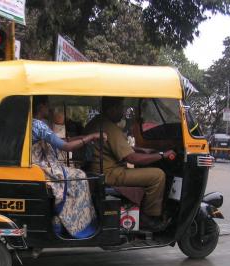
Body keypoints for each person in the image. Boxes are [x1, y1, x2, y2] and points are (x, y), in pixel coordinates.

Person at [84, 97, 176, 231]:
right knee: (158, 175)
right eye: (121, 108)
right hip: (109, 174)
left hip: (97, 170)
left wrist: (142, 150)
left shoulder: (95, 123)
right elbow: (132, 159)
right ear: (112, 109)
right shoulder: (110, 128)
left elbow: (115, 148)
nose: (122, 112)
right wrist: (161, 155)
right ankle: (149, 218)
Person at [32, 96, 105, 238]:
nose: (50, 109)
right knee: (80, 176)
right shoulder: (38, 125)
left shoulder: (33, 123)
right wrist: (89, 138)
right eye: (48, 106)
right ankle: (78, 225)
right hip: (44, 168)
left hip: (39, 166)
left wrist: (88, 136)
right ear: (41, 107)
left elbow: (62, 141)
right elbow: (66, 147)